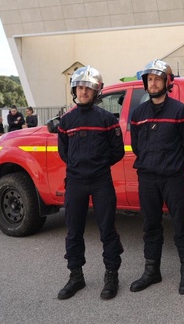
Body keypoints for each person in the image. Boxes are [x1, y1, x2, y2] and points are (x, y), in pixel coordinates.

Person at [129, 60, 184, 295]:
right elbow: (137, 145)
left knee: (180, 224)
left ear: (167, 82)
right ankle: (152, 271)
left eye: (158, 79)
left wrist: (174, 164)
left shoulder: (181, 111)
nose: (153, 83)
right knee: (150, 226)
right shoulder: (138, 113)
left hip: (173, 178)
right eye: (150, 79)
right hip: (147, 178)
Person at [56, 66, 125, 300]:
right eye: (80, 87)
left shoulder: (106, 119)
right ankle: (76, 276)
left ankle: (111, 275)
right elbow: (63, 153)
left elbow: (117, 152)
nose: (84, 91)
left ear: (96, 91)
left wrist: (97, 165)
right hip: (75, 182)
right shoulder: (66, 121)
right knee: (74, 231)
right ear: (75, 89)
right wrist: (80, 166)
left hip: (100, 182)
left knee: (107, 230)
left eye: (88, 88)